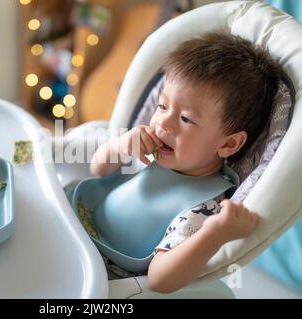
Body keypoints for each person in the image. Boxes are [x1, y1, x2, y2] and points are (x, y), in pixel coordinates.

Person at [70, 31, 283, 293]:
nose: (163, 124)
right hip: (73, 220)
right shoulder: (149, 147)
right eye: (162, 106)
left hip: (98, 271)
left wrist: (214, 234)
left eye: (186, 119)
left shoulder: (203, 207)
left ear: (228, 144)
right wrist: (119, 147)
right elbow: (98, 170)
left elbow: (160, 279)